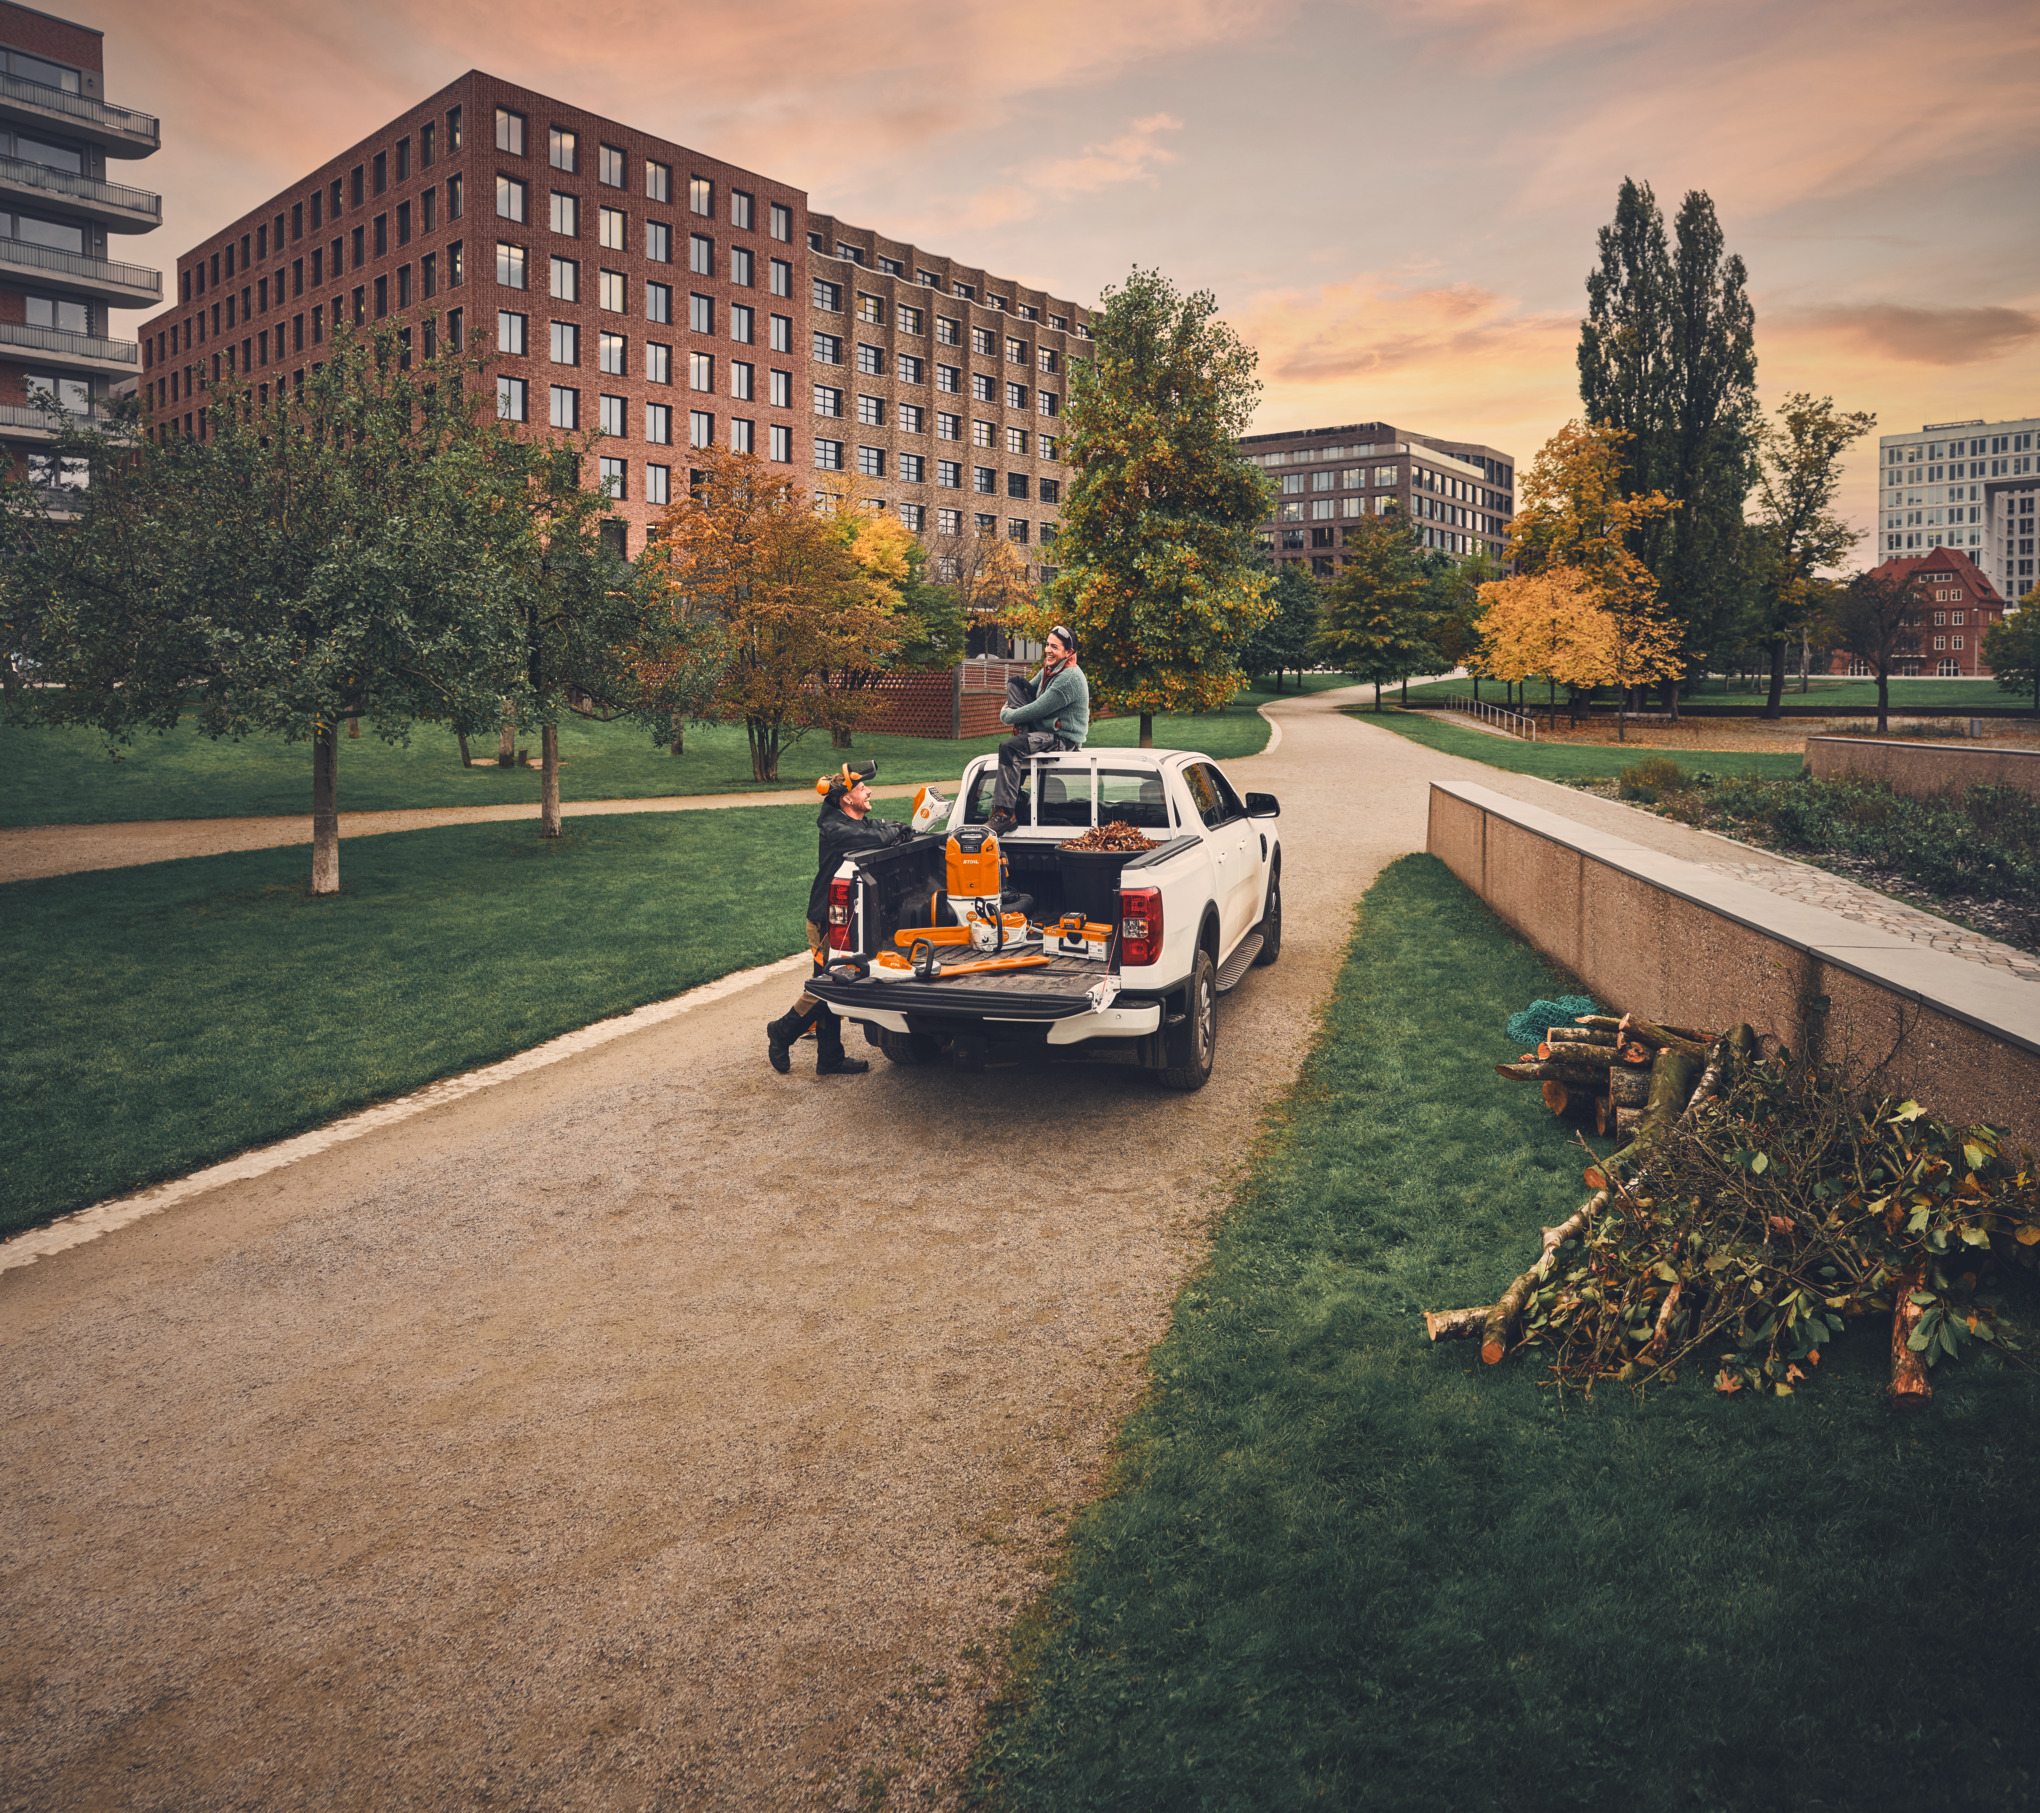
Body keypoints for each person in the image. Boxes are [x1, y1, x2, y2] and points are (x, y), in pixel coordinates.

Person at [765, 759, 915, 1076]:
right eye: (862, 788)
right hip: (826, 920)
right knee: (829, 985)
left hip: (845, 917)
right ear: (847, 798)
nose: (869, 791)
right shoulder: (836, 829)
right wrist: (895, 831)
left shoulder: (855, 820)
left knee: (833, 981)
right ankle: (781, 1031)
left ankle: (830, 1058)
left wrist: (897, 829)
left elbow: (883, 828)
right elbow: (875, 838)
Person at [986, 625, 1089, 835]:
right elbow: (1028, 692)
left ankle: (1005, 814)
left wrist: (1007, 715)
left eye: (1055, 647)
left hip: (1062, 738)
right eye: (1047, 644)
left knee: (1010, 747)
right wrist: (1009, 709)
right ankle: (1013, 798)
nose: (1048, 650)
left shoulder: (1069, 678)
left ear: (1068, 652)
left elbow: (1037, 709)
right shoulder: (1050, 669)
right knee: (1016, 682)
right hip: (1043, 729)